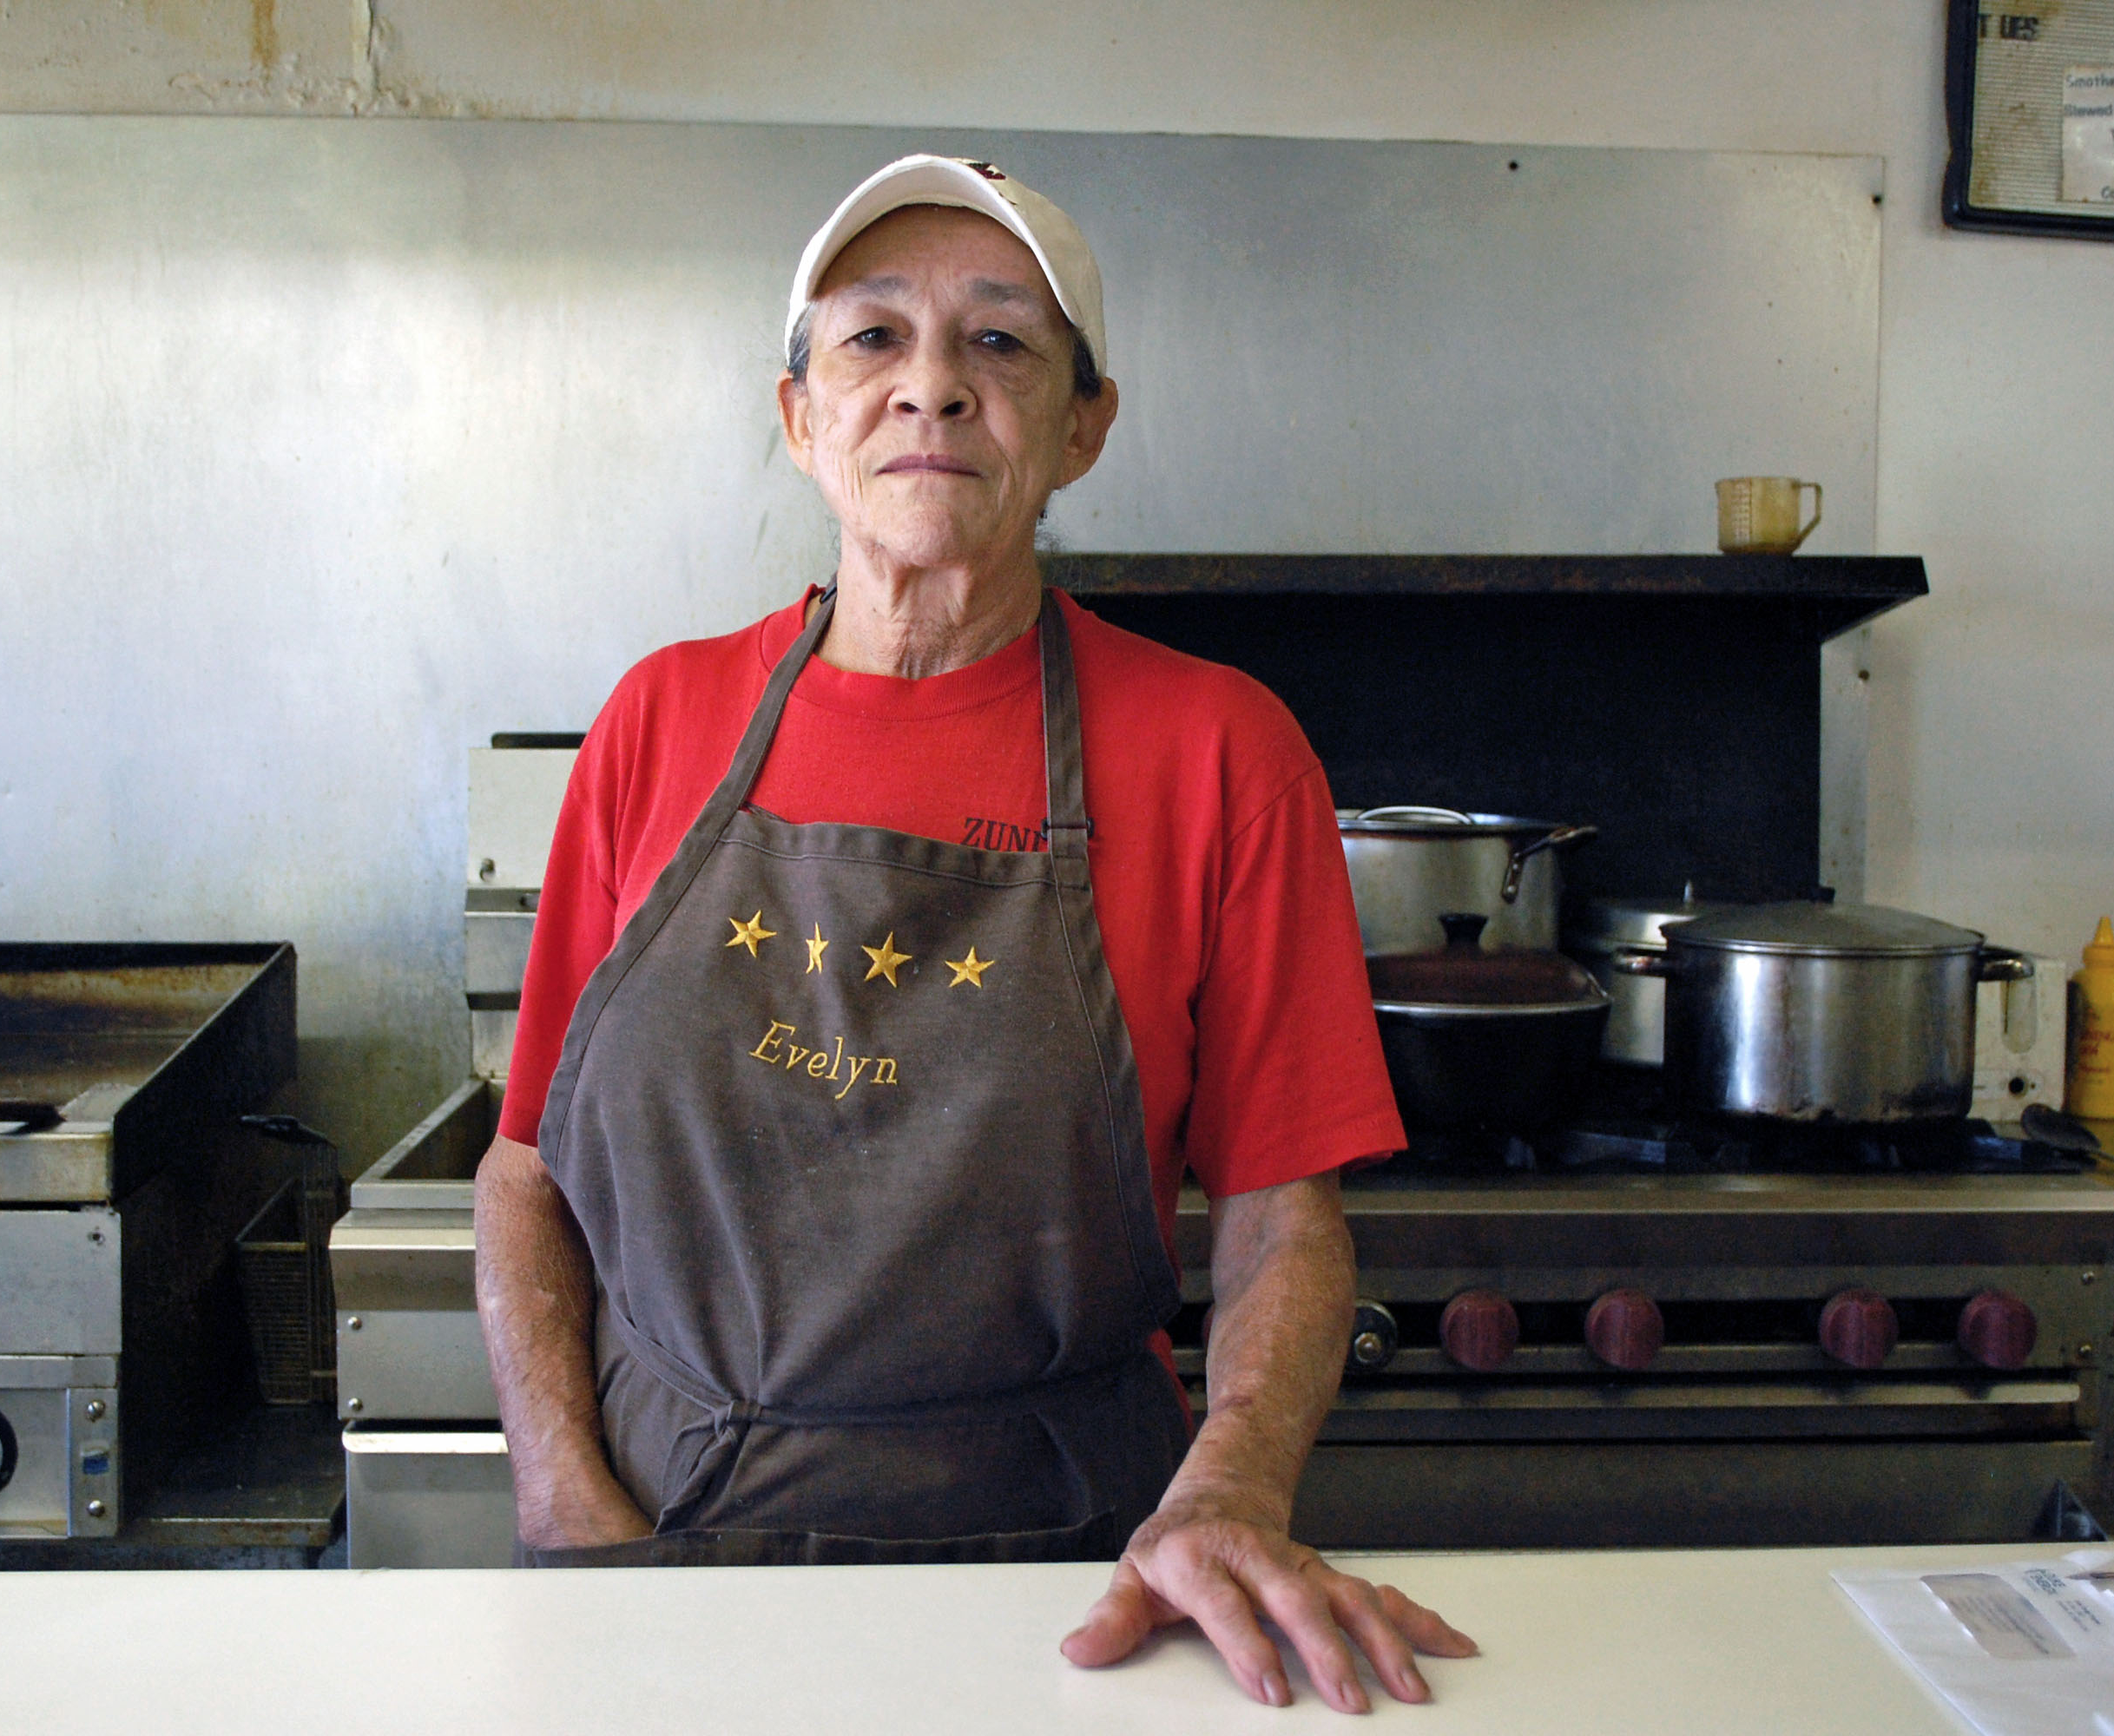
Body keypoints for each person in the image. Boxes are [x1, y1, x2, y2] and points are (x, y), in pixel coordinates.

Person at [474, 154, 1477, 1713]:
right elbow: (527, 1170)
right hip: (653, 1550)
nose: (931, 385)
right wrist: (562, 1500)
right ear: (799, 414)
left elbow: (1284, 1222)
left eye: (1000, 341)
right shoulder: (658, 720)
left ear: (1084, 426)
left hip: (1069, 1581)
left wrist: (1225, 1495)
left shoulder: (1220, 752)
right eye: (873, 336)